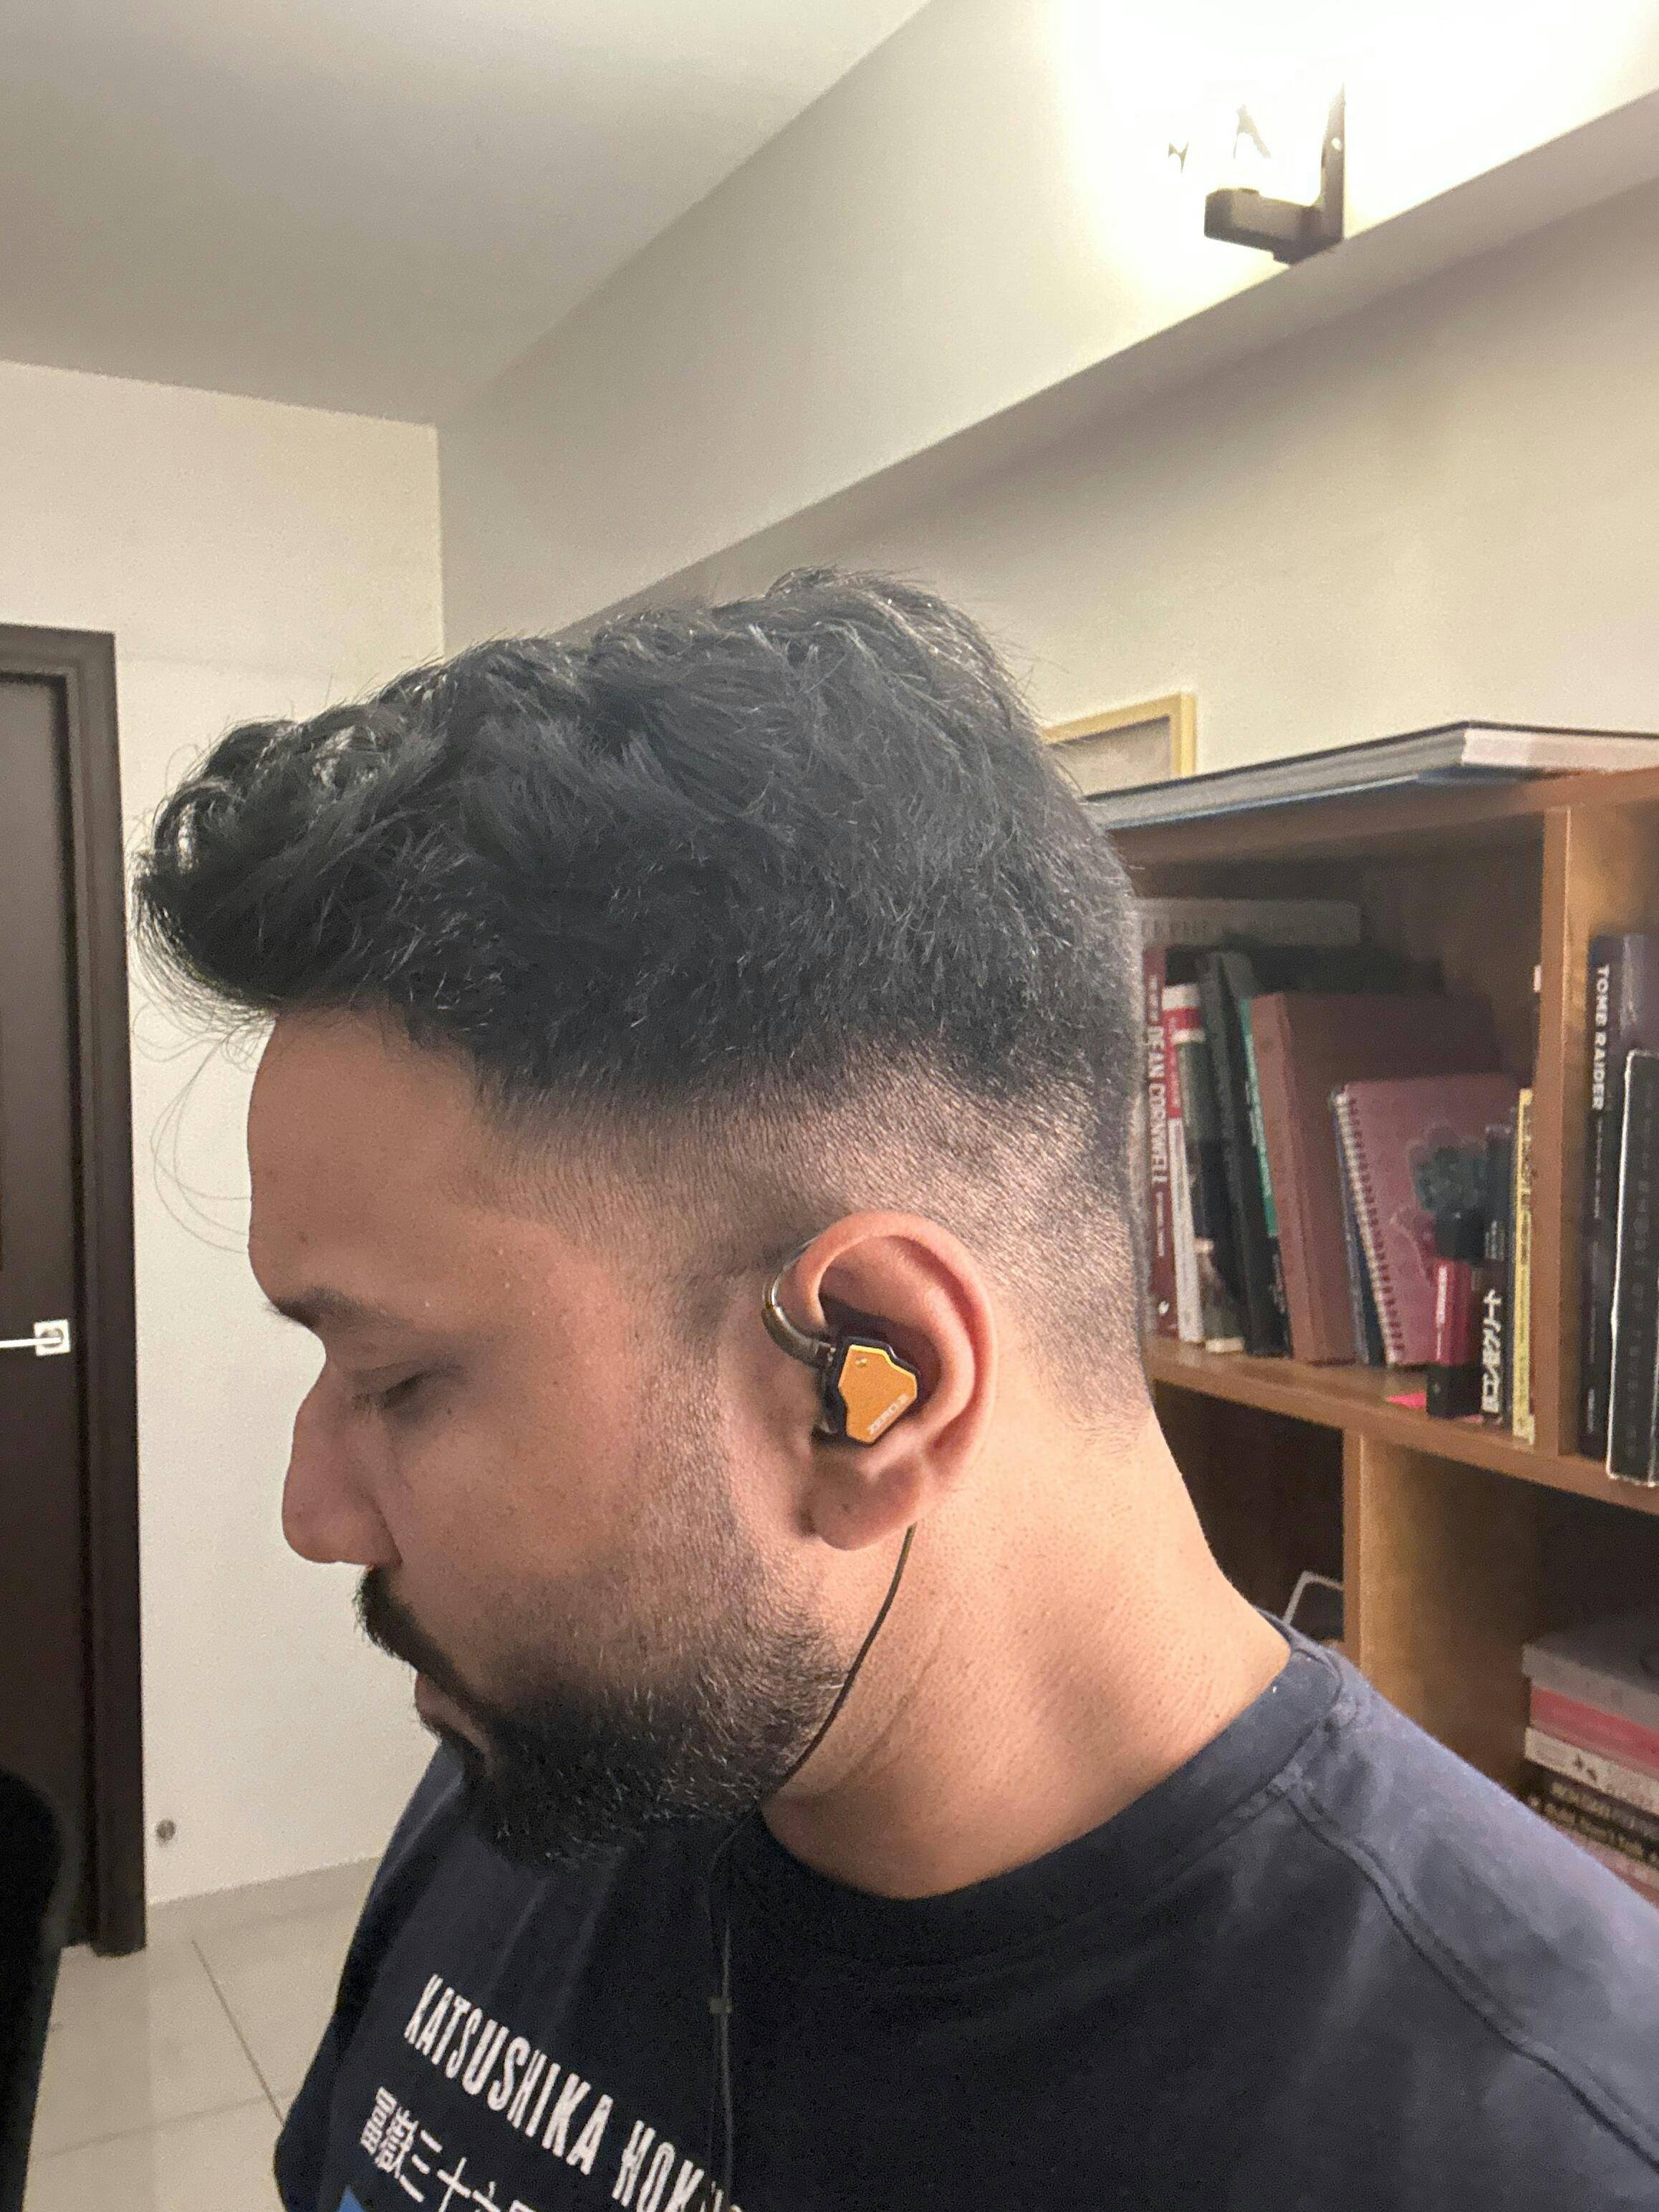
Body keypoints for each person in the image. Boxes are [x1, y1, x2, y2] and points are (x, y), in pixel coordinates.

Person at [135, 573, 1659, 2212]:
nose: (314, 1513)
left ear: (877, 1378)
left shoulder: (1542, 2147)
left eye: (397, 1377)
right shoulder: (557, 1763)